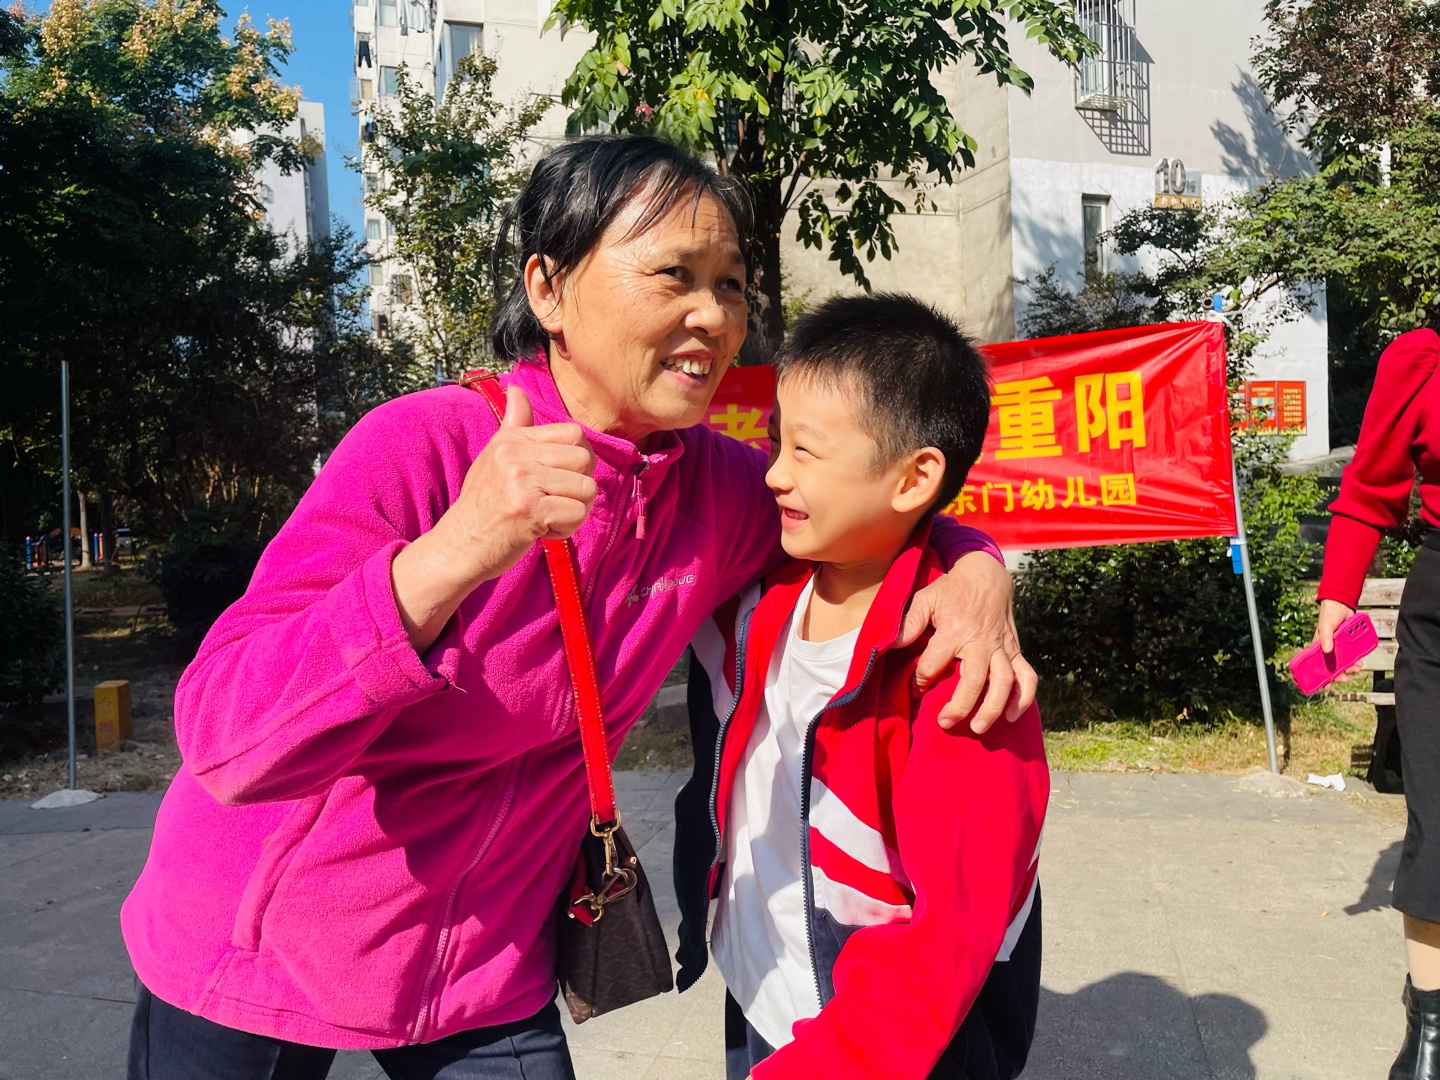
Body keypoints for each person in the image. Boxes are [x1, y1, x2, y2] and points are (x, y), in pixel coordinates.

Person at [120, 136, 1036, 1080]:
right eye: (675, 274)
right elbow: (223, 738)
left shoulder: (717, 489)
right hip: (261, 948)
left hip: (484, 968)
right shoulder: (424, 447)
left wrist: (974, 567)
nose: (713, 315)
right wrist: (455, 551)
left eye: (730, 284)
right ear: (549, 289)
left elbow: (869, 511)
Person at [674, 294, 1048, 1079]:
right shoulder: (756, 588)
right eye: (774, 440)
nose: (773, 474)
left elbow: (949, 937)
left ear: (914, 478)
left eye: (805, 452)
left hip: (874, 1049)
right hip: (761, 989)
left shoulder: (962, 677)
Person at [1315, 327, 1440, 1080]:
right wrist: (1337, 598)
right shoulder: (1424, 360)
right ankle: (1432, 1029)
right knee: (1439, 826)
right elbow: (1369, 491)